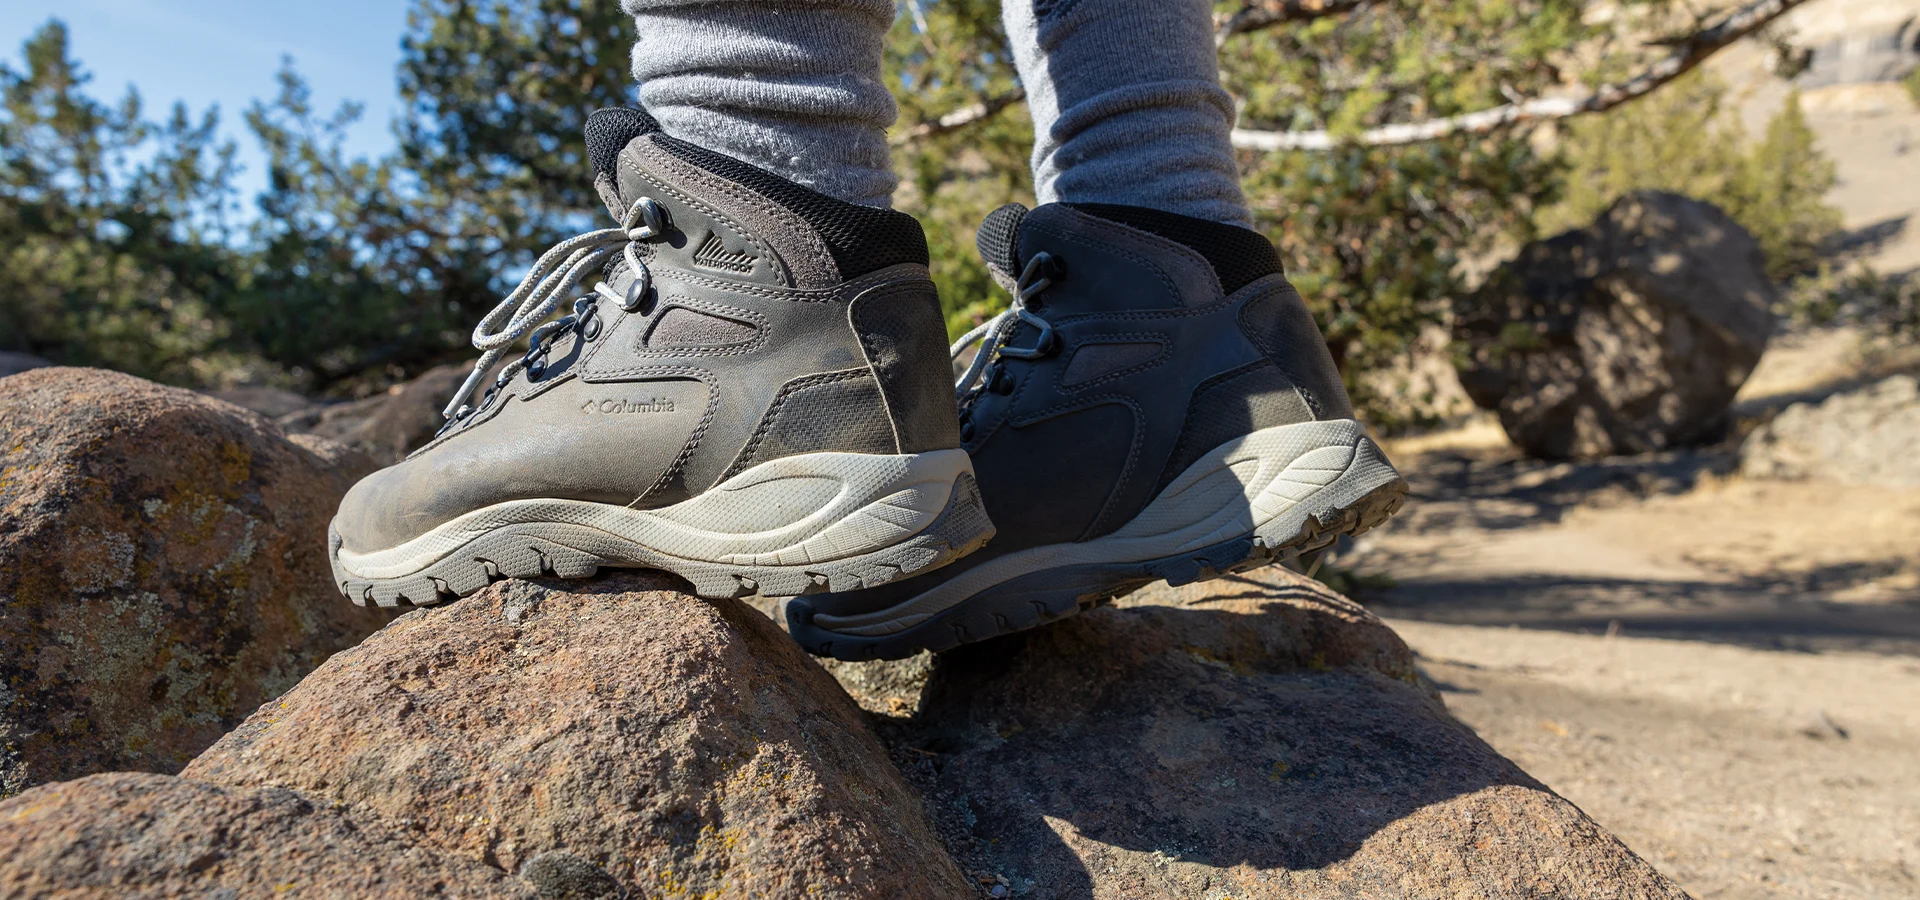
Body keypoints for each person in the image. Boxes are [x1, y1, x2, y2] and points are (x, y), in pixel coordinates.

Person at [326, 0, 1407, 661]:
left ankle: (749, 279)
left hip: (765, 334)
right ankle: (1186, 312)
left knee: (755, 137)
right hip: (1224, 324)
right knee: (1149, 184)